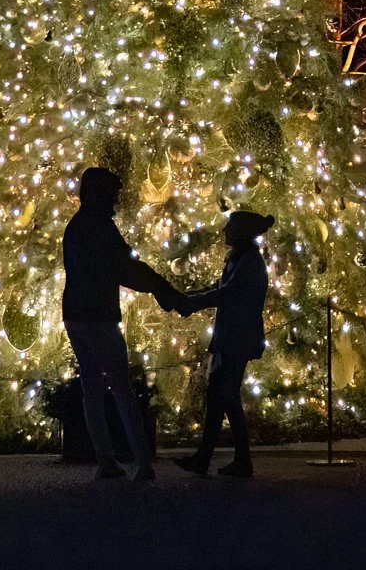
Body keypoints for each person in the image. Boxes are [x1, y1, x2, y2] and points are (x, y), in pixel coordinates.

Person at [62, 166, 183, 481]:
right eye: (112, 194)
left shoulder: (75, 227)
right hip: (100, 316)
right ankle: (142, 462)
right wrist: (162, 287)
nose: (117, 200)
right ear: (98, 194)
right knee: (121, 389)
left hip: (75, 315)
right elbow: (125, 268)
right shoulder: (100, 227)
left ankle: (106, 460)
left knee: (91, 388)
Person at [175, 209, 275, 479]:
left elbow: (228, 294)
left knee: (227, 396)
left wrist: (193, 302)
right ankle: (208, 458)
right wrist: (193, 297)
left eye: (229, 226)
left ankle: (238, 461)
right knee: (219, 397)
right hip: (230, 336)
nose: (224, 231)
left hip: (237, 338)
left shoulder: (250, 262)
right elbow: (223, 291)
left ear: (242, 231)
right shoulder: (240, 259)